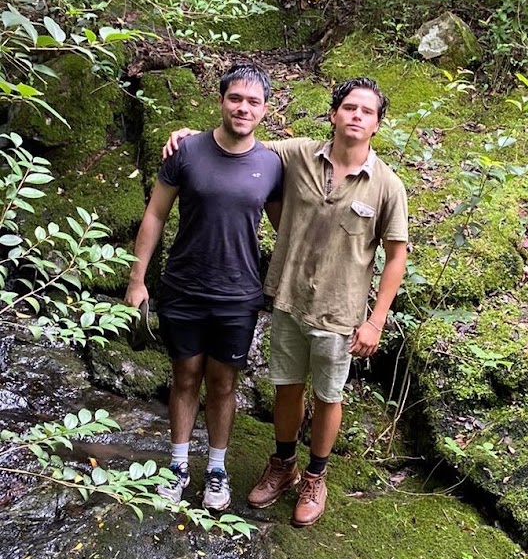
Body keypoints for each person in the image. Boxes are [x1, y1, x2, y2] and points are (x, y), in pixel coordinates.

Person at [164, 75, 408, 527]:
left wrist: (375, 321)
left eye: (366, 112)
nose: (356, 116)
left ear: (376, 124)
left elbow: (396, 257)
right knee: (287, 387)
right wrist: (186, 138)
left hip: (341, 309)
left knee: (328, 394)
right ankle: (282, 464)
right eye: (348, 107)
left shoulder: (387, 186)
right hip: (288, 298)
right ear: (333, 114)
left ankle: (316, 476)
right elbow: (239, 136)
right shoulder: (296, 154)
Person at [127, 63, 283, 513]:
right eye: (235, 98)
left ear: (265, 109)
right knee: (185, 377)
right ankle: (177, 464)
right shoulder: (186, 151)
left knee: (222, 383)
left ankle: (216, 467)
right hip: (184, 287)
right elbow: (155, 215)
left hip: (238, 294)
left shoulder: (272, 164)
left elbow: (284, 228)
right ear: (221, 101)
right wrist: (138, 279)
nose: (243, 107)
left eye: (253, 101)